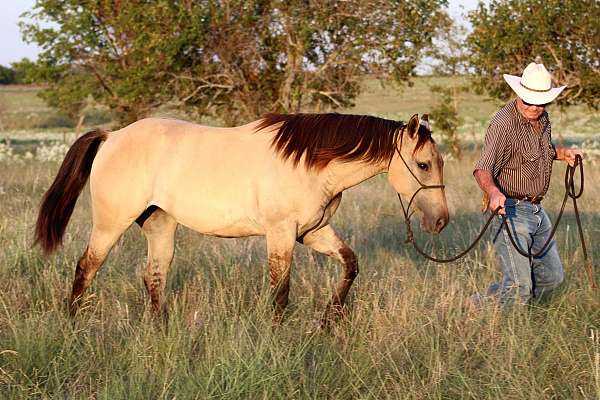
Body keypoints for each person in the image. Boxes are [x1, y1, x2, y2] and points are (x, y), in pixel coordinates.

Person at [472, 62, 583, 306]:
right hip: (509, 208)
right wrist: (492, 192)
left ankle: (478, 304)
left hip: (536, 210)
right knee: (519, 288)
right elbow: (483, 168)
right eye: (528, 100)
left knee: (552, 278)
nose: (534, 107)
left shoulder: (543, 119)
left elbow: (538, 150)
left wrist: (562, 153)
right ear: (518, 94)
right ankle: (506, 335)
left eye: (540, 102)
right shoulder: (503, 125)